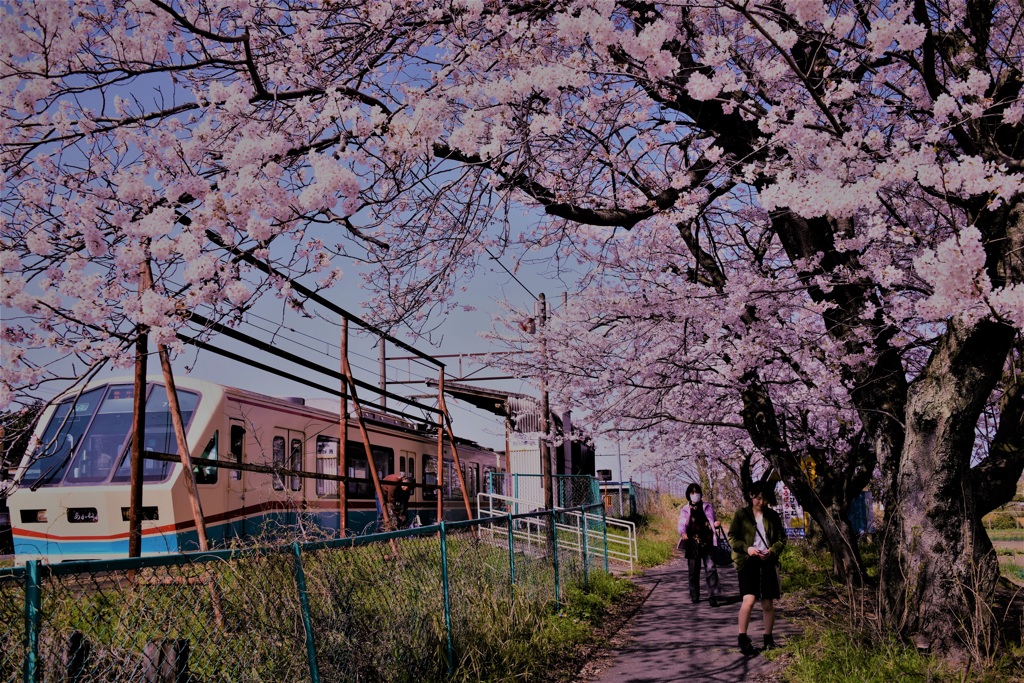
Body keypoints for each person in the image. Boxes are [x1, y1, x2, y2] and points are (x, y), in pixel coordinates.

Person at [728, 480, 787, 656]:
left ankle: (768, 639)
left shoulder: (773, 516)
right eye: (757, 498)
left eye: (764, 498)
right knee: (749, 600)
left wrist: (772, 550)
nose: (761, 502)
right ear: (751, 496)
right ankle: (743, 638)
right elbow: (732, 538)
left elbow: (781, 539)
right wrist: (747, 549)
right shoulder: (741, 515)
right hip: (747, 562)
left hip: (767, 561)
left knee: (768, 603)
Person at [677, 483, 723, 606]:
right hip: (692, 543)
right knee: (693, 570)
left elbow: (713, 520)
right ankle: (694, 595)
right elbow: (681, 524)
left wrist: (716, 524)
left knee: (711, 569)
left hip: (707, 541)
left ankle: (713, 596)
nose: (694, 495)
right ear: (688, 495)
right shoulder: (685, 509)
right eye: (692, 493)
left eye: (696, 492)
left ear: (700, 493)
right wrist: (683, 532)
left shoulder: (708, 506)